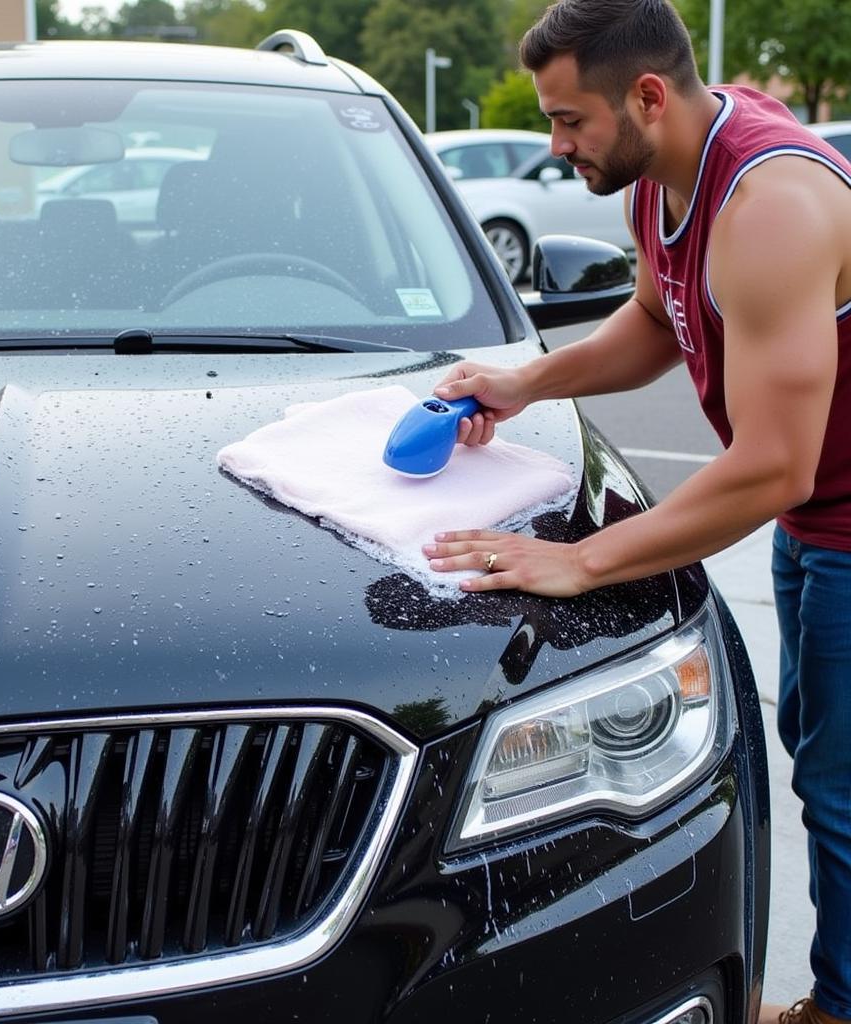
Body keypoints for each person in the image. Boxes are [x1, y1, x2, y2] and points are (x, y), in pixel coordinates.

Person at [422, 2, 851, 1022]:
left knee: (836, 791)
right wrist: (527, 383)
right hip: (819, 523)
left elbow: (770, 469)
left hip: (838, 521)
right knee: (820, 757)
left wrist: (582, 561)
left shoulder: (771, 207)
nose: (554, 144)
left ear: (646, 96)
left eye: (570, 122)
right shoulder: (658, 187)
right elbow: (658, 322)